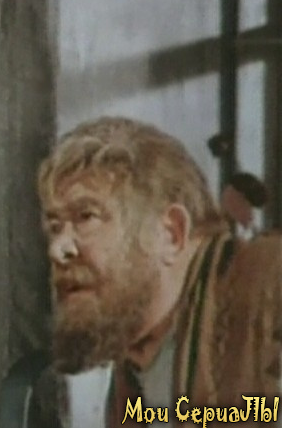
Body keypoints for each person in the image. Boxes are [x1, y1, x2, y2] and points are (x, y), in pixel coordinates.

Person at [33, 116, 281, 427]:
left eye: (86, 217)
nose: (57, 248)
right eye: (55, 227)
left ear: (170, 233)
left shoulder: (269, 293)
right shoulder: (136, 354)